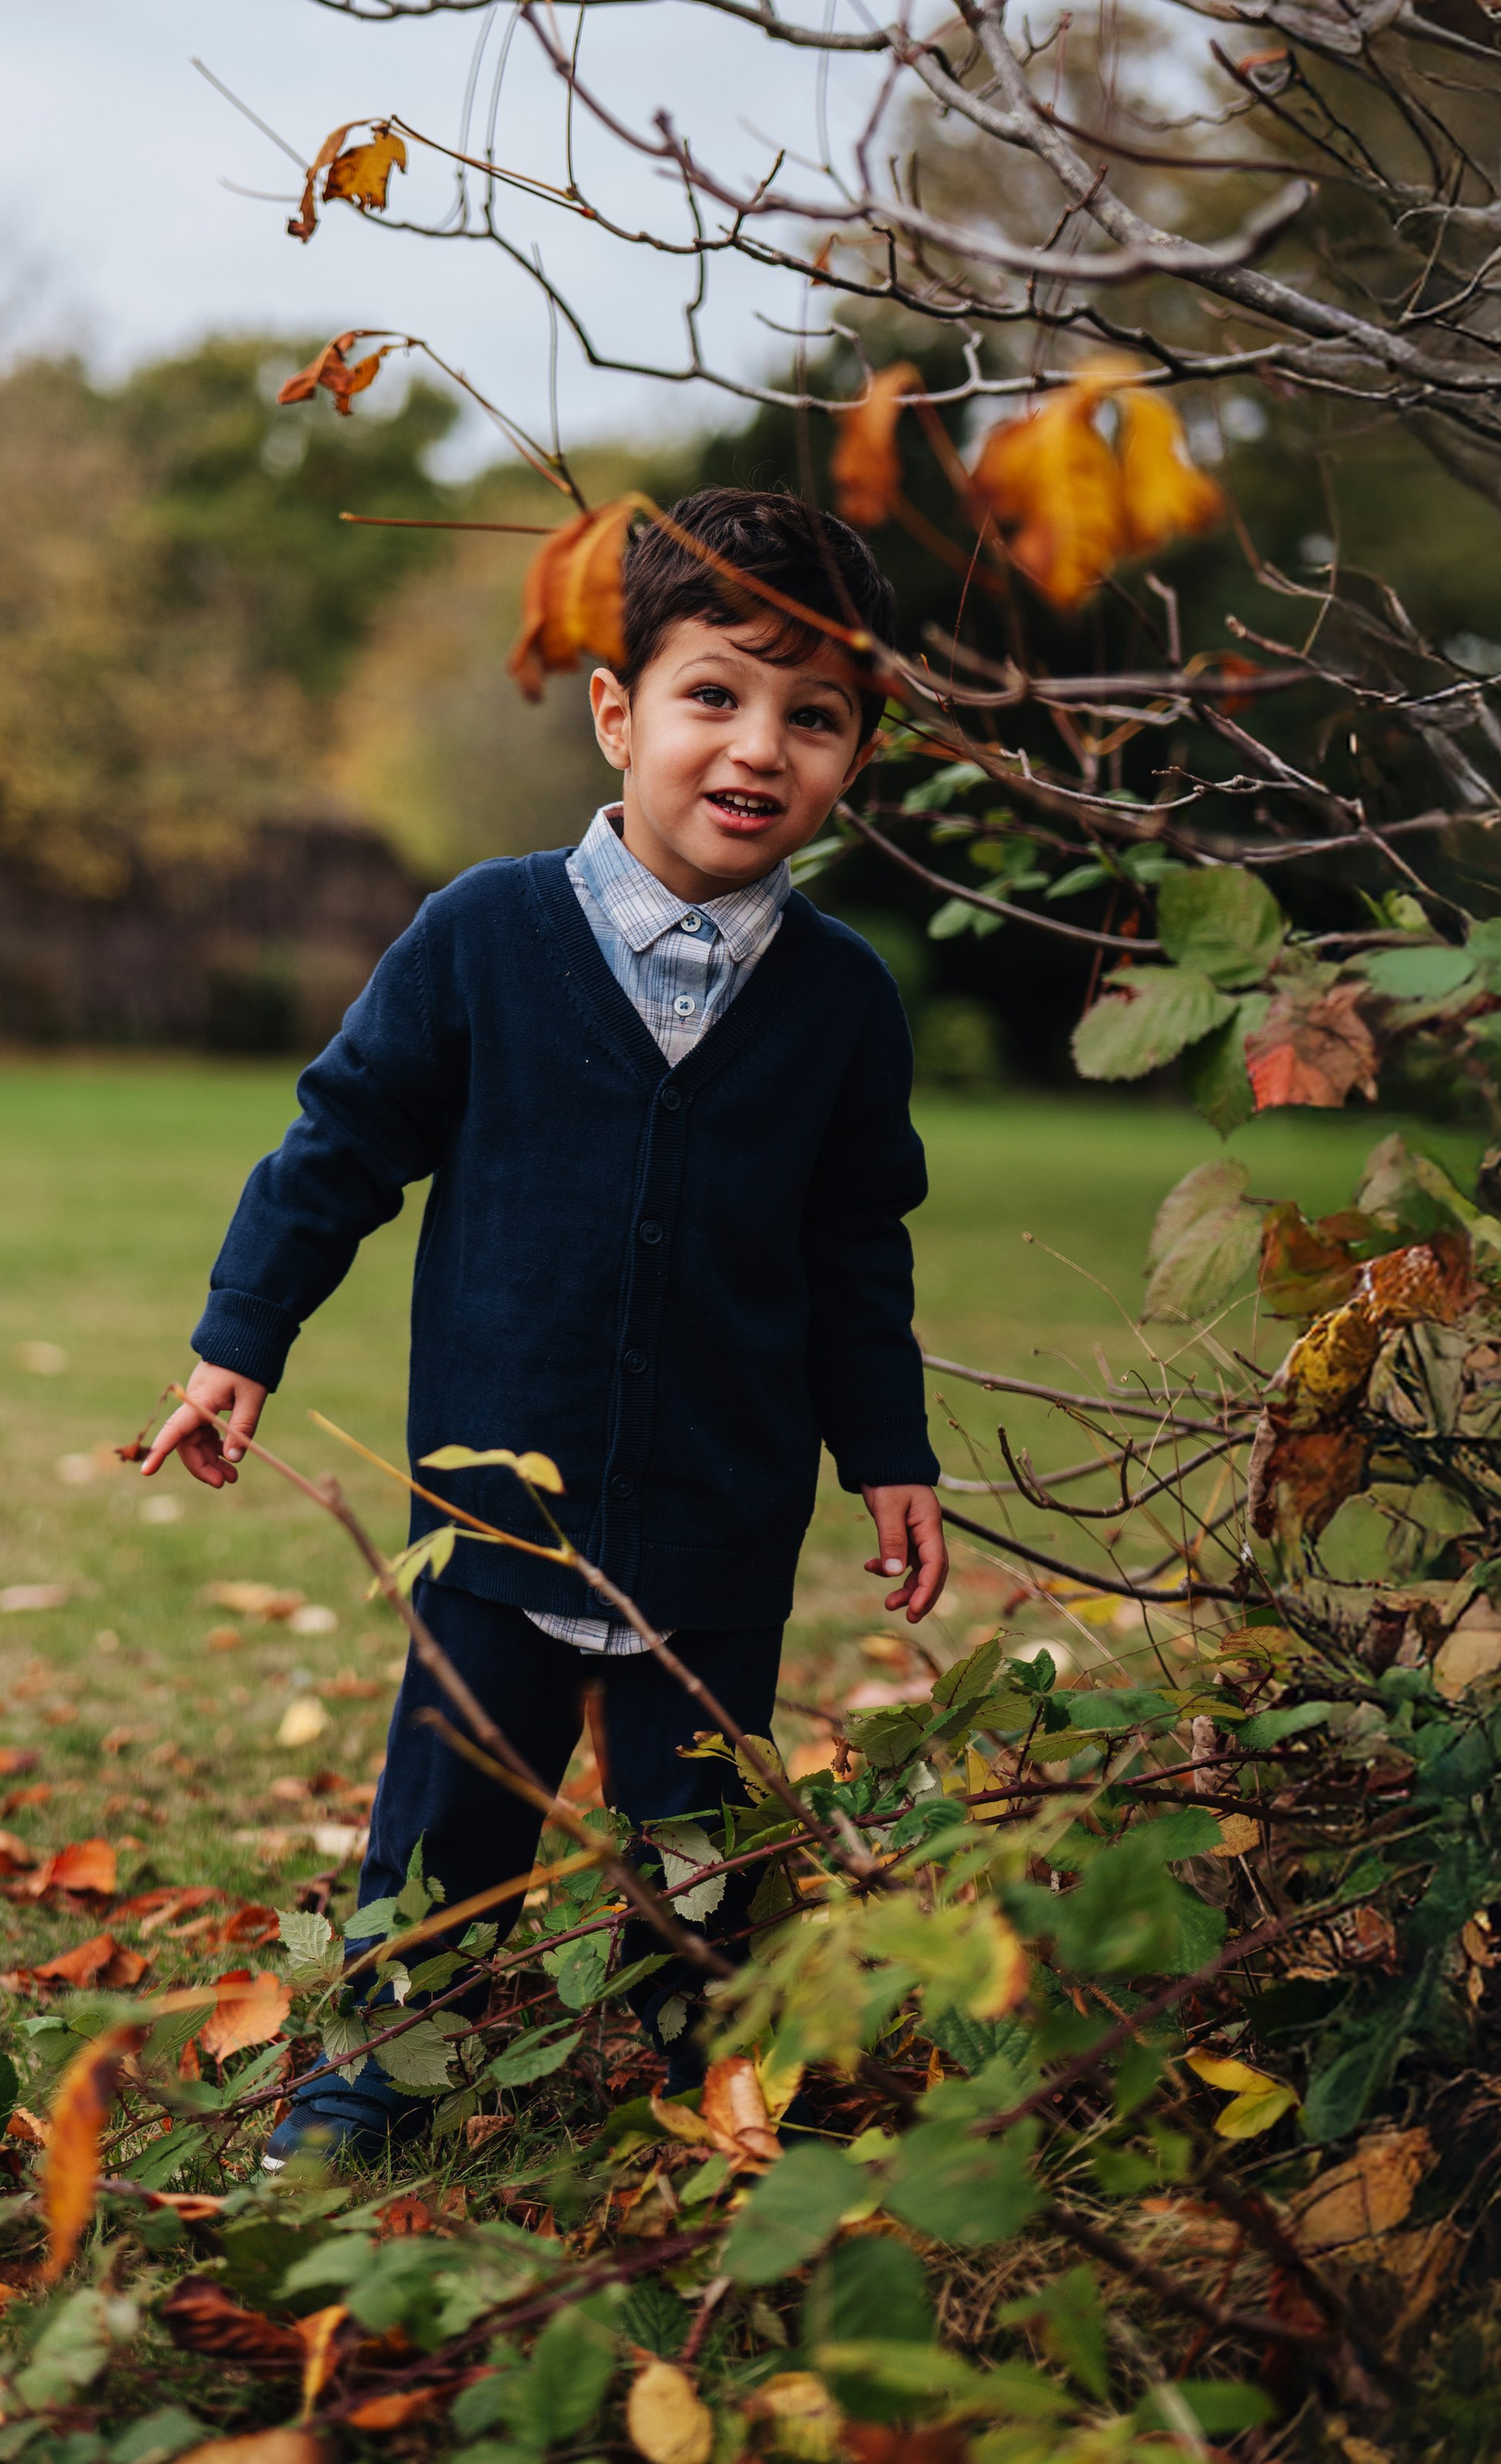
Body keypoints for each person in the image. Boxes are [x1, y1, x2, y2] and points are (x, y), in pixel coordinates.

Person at [142, 486, 947, 2163]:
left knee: (700, 1841)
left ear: (857, 754)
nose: (755, 747)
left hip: (717, 1517)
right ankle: (369, 2069)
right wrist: (242, 1339)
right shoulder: (484, 939)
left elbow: (855, 1249)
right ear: (616, 710)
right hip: (495, 1511)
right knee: (446, 1818)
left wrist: (885, 1452)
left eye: (812, 717)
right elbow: (338, 1143)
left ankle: (707, 2072)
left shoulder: (838, 1005)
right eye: (712, 694)